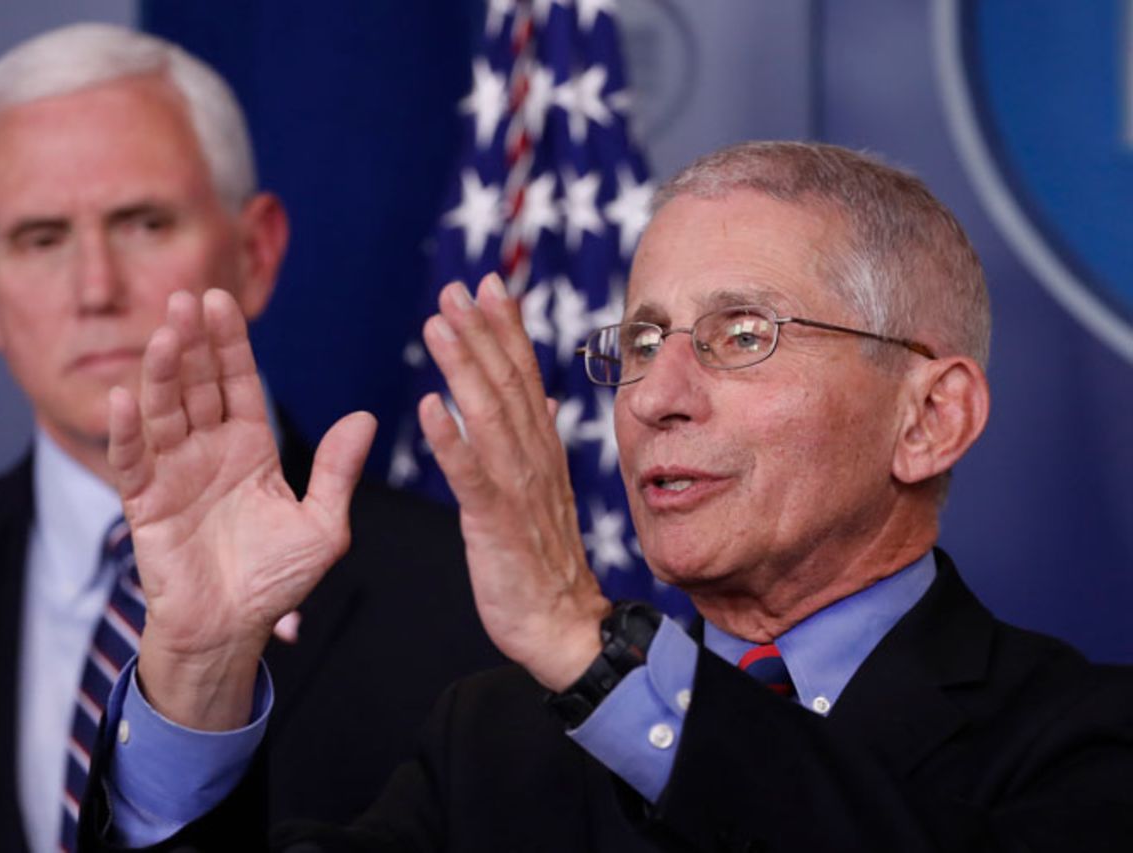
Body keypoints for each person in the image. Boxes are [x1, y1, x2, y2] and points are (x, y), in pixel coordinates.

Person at [74, 140, 1133, 851]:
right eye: (638, 342)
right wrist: (199, 671)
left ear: (928, 417)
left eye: (740, 335)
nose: (654, 398)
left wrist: (589, 648)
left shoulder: (1085, 740)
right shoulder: (492, 745)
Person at [0, 23, 499, 853]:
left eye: (144, 223)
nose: (96, 288)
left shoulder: (467, 599)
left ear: (256, 252)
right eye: (42, 239)